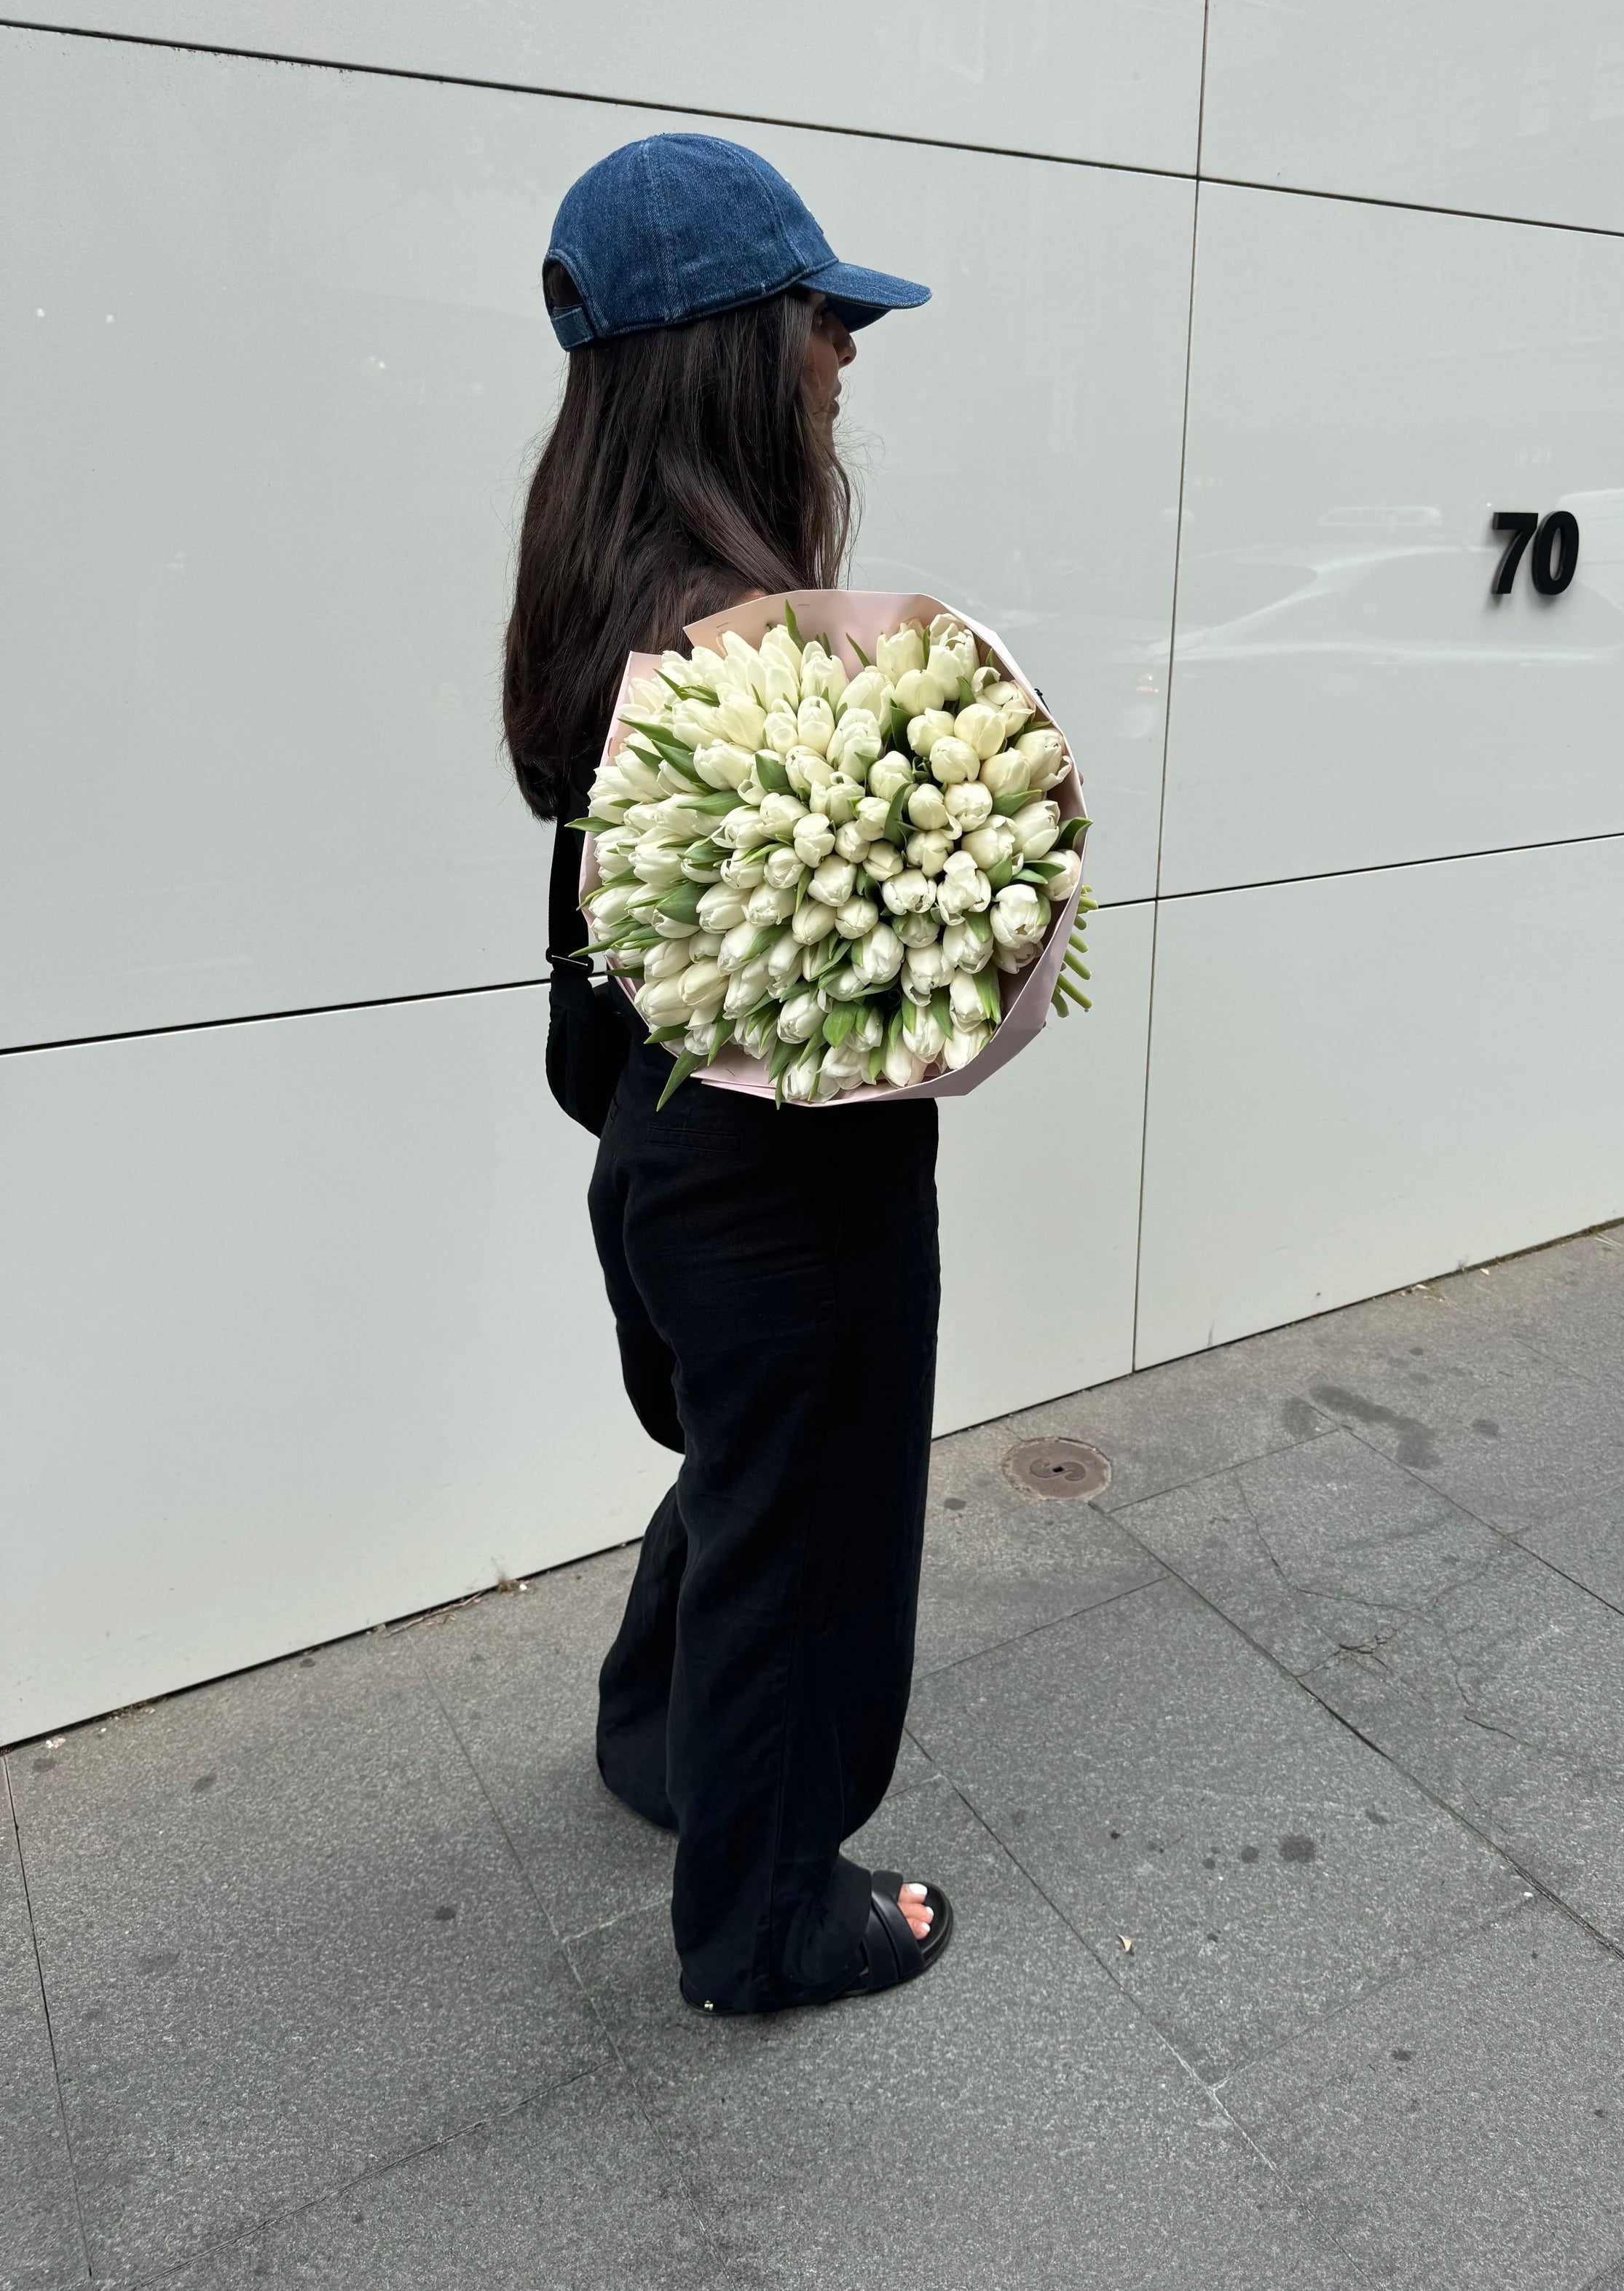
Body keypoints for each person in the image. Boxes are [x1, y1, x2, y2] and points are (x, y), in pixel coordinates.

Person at [500, 135, 953, 2014]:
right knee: (805, 1531)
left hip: (658, 1148)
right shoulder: (746, 650)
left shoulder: (606, 591)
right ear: (737, 354)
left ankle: (650, 1734)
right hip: (784, 1182)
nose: (843, 355)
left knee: (742, 1480)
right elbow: (861, 976)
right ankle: (767, 1926)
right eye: (822, 319)